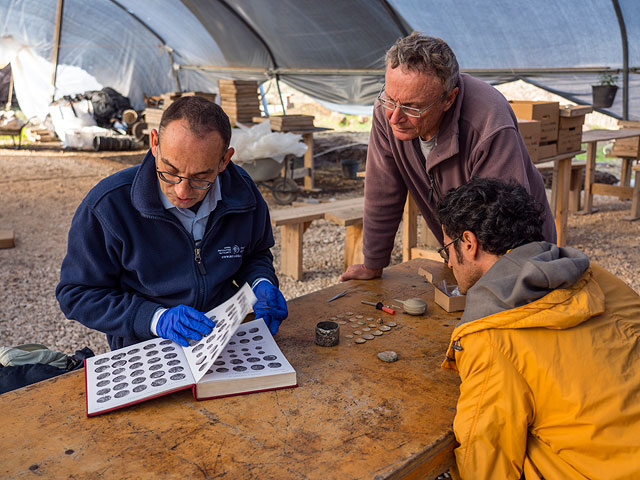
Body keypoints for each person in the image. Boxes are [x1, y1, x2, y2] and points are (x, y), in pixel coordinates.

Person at [436, 177, 640, 480]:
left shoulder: (491, 339)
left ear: (469, 243)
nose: (450, 263)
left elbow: (487, 467)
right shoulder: (594, 274)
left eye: (448, 250)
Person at [56, 96, 287, 350]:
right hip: (145, 344)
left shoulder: (242, 192)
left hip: (224, 338)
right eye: (170, 171)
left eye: (201, 177)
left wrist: (261, 282)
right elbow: (77, 293)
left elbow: (254, 254)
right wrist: (154, 318)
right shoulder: (108, 206)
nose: (182, 190)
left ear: (224, 160)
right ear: (154, 143)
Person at [341, 32, 556, 282]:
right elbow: (382, 189)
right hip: (464, 252)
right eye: (389, 99)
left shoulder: (488, 121)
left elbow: (503, 223)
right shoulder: (387, 112)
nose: (394, 117)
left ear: (448, 99)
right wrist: (373, 264)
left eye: (412, 107)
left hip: (517, 258)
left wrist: (489, 287)